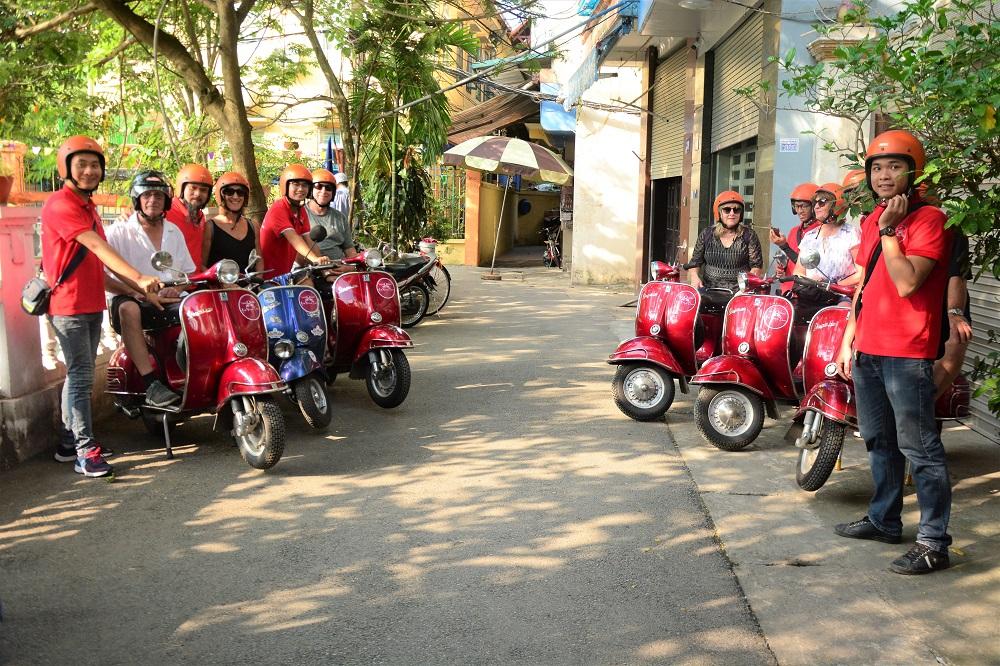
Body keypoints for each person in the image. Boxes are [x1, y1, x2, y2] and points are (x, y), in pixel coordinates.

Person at [833, 130, 954, 575]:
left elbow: (907, 282)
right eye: (877, 167)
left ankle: (933, 541)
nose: (884, 175)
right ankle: (884, 520)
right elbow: (864, 285)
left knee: (920, 448)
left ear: (912, 171)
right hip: (868, 349)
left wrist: (889, 232)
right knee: (879, 441)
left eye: (895, 166)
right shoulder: (870, 219)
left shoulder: (931, 220)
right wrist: (849, 340)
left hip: (907, 353)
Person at [43, 136, 161, 478]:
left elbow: (96, 267)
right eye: (81, 164)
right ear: (66, 168)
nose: (90, 171)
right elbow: (95, 245)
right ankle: (84, 449)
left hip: (91, 303)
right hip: (68, 307)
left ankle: (69, 442)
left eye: (94, 165)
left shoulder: (88, 207)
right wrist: (139, 278)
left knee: (77, 374)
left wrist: (134, 291)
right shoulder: (60, 205)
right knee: (80, 376)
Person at [104, 171, 196, 409]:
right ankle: (151, 383)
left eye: (158, 195)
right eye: (147, 195)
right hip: (130, 296)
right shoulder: (118, 231)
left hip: (167, 297)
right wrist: (134, 291)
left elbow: (187, 273)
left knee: (201, 306)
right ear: (137, 199)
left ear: (166, 200)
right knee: (128, 308)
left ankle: (194, 371)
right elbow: (101, 276)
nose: (152, 200)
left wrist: (177, 289)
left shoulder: (174, 231)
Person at [260, 164, 329, 276]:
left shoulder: (300, 210)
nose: (301, 189)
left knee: (310, 290)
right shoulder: (278, 208)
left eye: (305, 185)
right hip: (267, 278)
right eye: (296, 184)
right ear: (285, 186)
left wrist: (324, 267)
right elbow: (294, 239)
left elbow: (309, 240)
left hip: (285, 275)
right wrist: (314, 259)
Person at [688, 190, 763, 292]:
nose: (732, 213)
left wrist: (745, 287)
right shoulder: (707, 234)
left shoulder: (749, 235)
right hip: (709, 291)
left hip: (739, 293)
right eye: (727, 210)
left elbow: (756, 266)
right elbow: (695, 262)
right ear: (719, 212)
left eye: (736, 210)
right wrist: (694, 277)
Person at [794, 182, 861, 288]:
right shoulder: (809, 236)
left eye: (822, 202)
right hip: (813, 295)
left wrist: (834, 285)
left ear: (836, 205)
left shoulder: (851, 233)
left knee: (843, 305)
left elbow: (861, 273)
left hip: (842, 295)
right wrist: (811, 281)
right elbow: (798, 271)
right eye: (814, 203)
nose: (816, 207)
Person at [933, 231, 973, 399]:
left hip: (942, 310)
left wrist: (955, 312)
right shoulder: (888, 225)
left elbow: (958, 276)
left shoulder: (952, 231)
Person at [202, 171, 263, 272]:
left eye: (240, 192)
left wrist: (258, 282)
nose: (235, 196)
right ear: (221, 196)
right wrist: (222, 283)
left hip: (250, 286)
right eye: (229, 192)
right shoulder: (210, 227)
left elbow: (259, 260)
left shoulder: (253, 226)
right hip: (221, 286)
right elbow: (201, 265)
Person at [165, 163, 213, 271]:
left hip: (196, 283)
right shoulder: (166, 211)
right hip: (172, 284)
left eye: (203, 190)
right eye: (193, 188)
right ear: (182, 188)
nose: (198, 193)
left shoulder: (200, 216)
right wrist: (128, 213)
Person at [305, 168, 358, 261]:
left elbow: (349, 249)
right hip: (309, 268)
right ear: (310, 190)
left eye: (328, 188)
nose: (323, 191)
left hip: (338, 267)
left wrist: (352, 267)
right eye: (318, 186)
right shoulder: (300, 214)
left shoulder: (340, 218)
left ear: (333, 193)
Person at [770, 182, 820, 275]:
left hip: (806, 287)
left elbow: (808, 265)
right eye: (797, 206)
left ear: (814, 206)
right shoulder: (794, 231)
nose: (800, 211)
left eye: (804, 206)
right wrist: (782, 268)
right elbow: (789, 259)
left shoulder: (820, 232)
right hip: (788, 287)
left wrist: (784, 246)